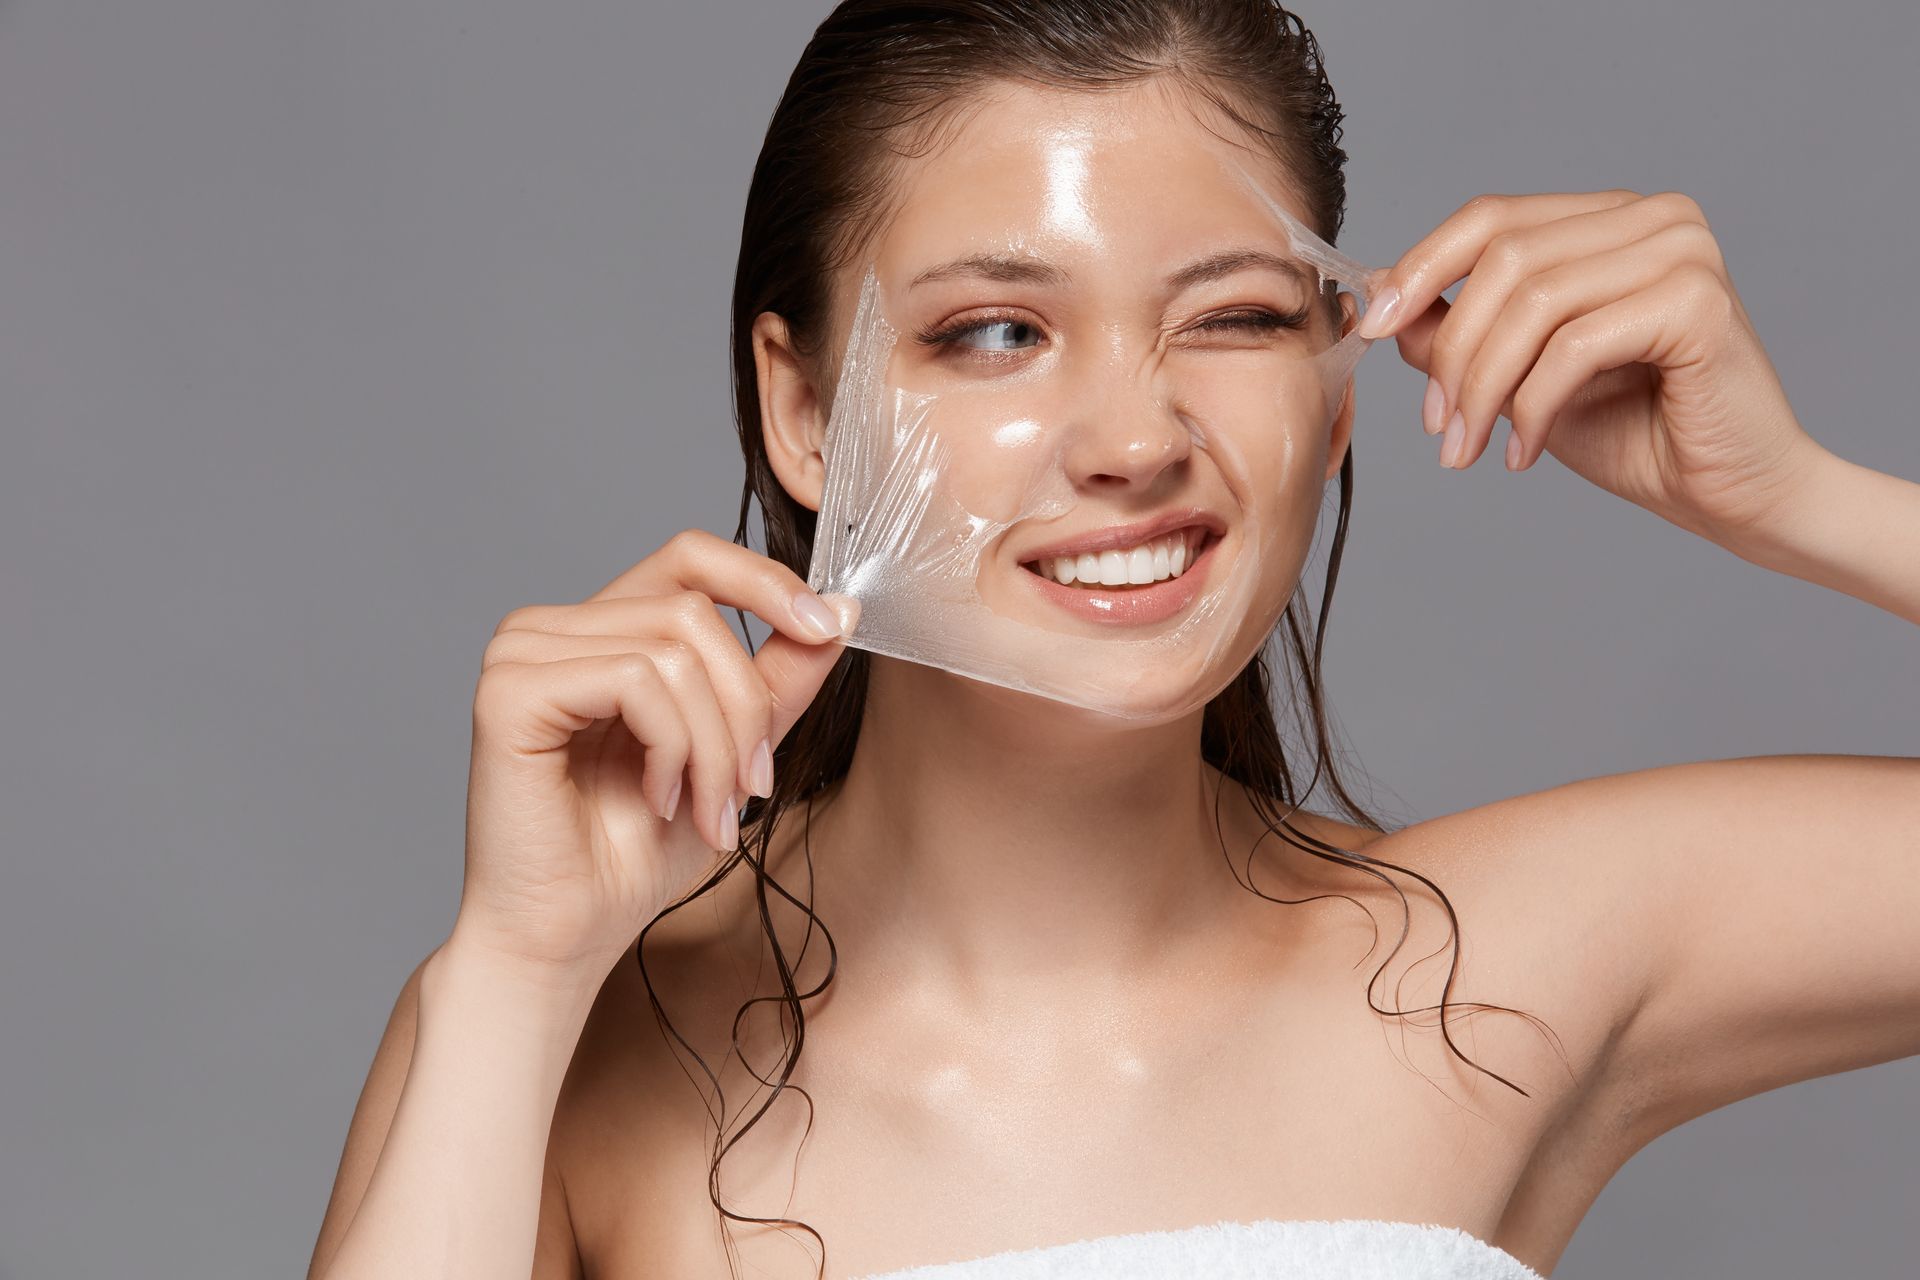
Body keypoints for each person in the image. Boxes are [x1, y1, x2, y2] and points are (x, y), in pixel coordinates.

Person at [305, 3, 1920, 1278]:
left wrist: (1805, 501)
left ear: (1336, 394)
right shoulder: (570, 1024)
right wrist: (518, 979)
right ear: (803, 411)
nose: (1136, 437)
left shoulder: (1530, 962)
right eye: (996, 332)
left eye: (1232, 317)